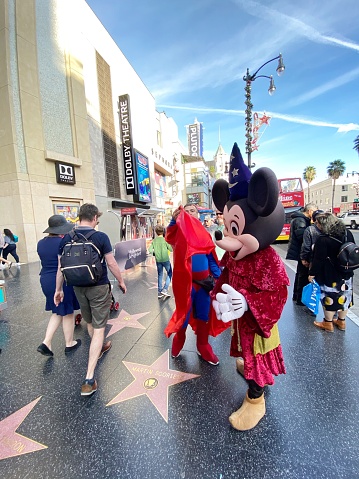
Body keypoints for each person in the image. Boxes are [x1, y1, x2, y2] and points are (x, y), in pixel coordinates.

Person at [54, 203, 127, 396]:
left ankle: (99, 344)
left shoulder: (66, 239)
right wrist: (121, 281)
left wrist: (58, 290)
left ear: (79, 217)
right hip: (99, 287)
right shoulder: (100, 237)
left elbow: (60, 268)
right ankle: (89, 379)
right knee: (100, 327)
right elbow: (111, 263)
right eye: (98, 219)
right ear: (94, 217)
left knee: (89, 322)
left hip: (78, 288)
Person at [164, 203, 222, 365]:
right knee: (184, 314)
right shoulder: (179, 231)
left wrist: (220, 278)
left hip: (204, 284)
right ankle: (179, 339)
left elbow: (210, 256)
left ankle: (202, 345)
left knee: (204, 315)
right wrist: (174, 220)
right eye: (186, 211)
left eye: (193, 211)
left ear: (198, 214)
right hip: (185, 284)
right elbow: (169, 236)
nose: (189, 213)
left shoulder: (204, 233)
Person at [37, 215, 81, 357]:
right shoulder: (63, 242)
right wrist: (59, 288)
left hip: (45, 279)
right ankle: (69, 343)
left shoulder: (41, 243)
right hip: (61, 280)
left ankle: (46, 343)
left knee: (57, 310)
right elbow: (63, 265)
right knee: (67, 312)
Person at [308, 213, 355, 332]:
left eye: (318, 223)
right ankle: (341, 321)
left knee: (329, 298)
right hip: (346, 272)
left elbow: (318, 259)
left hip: (330, 274)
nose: (316, 225)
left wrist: (312, 273)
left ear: (324, 225)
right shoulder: (347, 233)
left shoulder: (323, 240)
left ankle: (328, 323)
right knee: (345, 296)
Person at [286, 203, 317, 305]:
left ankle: (297, 296)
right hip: (301, 250)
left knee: (300, 273)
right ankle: (300, 298)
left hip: (299, 250)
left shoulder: (300, 219)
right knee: (303, 275)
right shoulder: (301, 220)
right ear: (310, 211)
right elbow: (302, 236)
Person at [148, 224, 172, 298]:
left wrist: (155, 253)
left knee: (160, 275)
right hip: (165, 260)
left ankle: (159, 292)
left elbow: (150, 250)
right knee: (170, 273)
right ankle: (165, 289)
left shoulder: (154, 241)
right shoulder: (165, 240)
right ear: (163, 231)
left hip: (158, 260)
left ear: (156, 232)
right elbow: (171, 249)